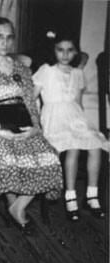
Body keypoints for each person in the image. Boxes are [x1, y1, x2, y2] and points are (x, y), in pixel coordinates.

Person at [0, 17, 63, 233]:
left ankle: (18, 205)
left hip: (22, 125)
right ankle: (15, 208)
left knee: (50, 158)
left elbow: (30, 103)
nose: (5, 42)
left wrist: (36, 128)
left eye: (9, 37)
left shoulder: (22, 69)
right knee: (5, 158)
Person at [33, 33, 109, 221]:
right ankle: (70, 196)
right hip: (54, 117)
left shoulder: (77, 73)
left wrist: (83, 124)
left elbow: (78, 103)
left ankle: (92, 195)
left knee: (95, 144)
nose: (65, 54)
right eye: (60, 50)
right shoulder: (46, 70)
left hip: (75, 117)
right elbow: (31, 97)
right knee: (72, 147)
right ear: (53, 51)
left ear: (75, 52)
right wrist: (35, 122)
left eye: (70, 50)